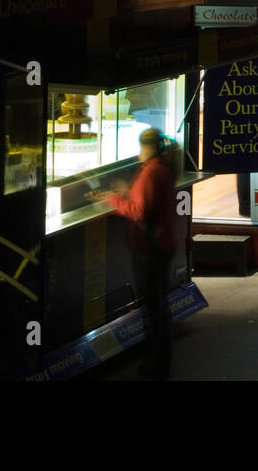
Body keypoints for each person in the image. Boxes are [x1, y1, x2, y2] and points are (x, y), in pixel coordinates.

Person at [89, 128, 177, 379]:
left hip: (150, 250)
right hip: (162, 246)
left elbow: (139, 211)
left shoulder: (152, 171)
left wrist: (112, 200)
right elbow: (146, 200)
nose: (139, 152)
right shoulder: (160, 167)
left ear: (148, 148)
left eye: (140, 147)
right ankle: (158, 361)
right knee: (158, 306)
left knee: (154, 309)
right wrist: (120, 192)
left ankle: (156, 366)